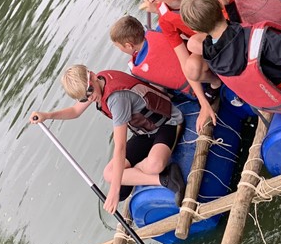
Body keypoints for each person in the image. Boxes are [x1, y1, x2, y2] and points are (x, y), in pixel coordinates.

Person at [29, 65, 186, 213]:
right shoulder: (99, 82)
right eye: (84, 98)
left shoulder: (116, 99)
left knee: (154, 165)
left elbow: (120, 147)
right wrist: (47, 115)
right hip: (145, 132)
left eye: (89, 91)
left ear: (92, 75)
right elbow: (75, 111)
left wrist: (114, 190)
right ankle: (162, 179)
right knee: (109, 173)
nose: (90, 98)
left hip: (166, 123)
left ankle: (145, 176)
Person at [137, 0, 236, 131]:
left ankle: (233, 69)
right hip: (209, 44)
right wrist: (203, 103)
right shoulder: (166, 21)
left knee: (193, 43)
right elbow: (183, 60)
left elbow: (232, 6)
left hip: (229, 29)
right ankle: (216, 82)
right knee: (191, 67)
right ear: (156, 1)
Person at [108, 15, 191, 94]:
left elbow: (159, 89)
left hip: (191, 91)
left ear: (128, 46)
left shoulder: (137, 67)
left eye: (118, 46)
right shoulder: (160, 30)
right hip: (199, 63)